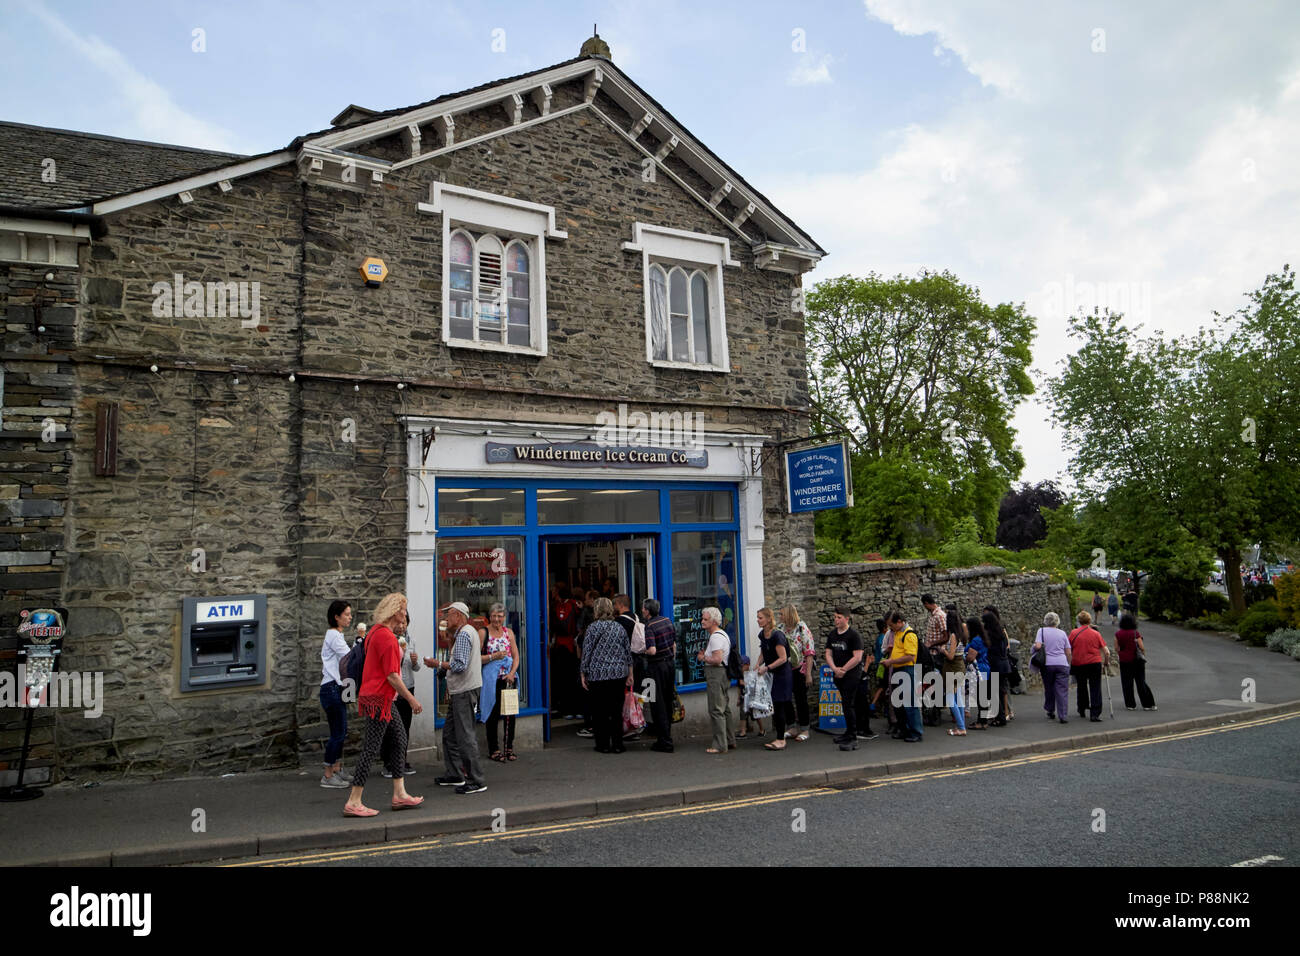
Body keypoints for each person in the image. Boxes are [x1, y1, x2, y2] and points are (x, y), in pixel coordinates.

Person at [343, 594, 424, 816]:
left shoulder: (374, 632)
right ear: (395, 611)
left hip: (379, 698)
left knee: (399, 739)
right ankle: (354, 800)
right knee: (370, 749)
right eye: (403, 610)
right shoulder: (386, 637)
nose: (405, 615)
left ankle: (400, 794)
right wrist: (412, 699)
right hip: (380, 699)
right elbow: (392, 676)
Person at [426, 602, 487, 794]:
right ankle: (455, 774)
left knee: (465, 737)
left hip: (463, 692)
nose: (446, 619)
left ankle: (476, 780)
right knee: (450, 735)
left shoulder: (464, 634)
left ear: (459, 616)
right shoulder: (466, 633)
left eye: (449, 615)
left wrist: (438, 664)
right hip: (462, 691)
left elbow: (459, 666)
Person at [580, 597, 632, 754]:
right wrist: (630, 673)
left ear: (596, 610)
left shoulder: (592, 628)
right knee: (616, 711)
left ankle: (602, 744)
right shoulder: (619, 627)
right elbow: (627, 651)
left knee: (599, 712)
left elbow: (586, 653)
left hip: (598, 675)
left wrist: (583, 673)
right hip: (618, 673)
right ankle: (617, 744)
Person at [319, 600, 354, 788]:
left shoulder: (335, 635)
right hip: (332, 688)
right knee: (338, 733)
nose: (350, 617)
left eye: (350, 614)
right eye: (346, 614)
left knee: (340, 731)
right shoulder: (334, 636)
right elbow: (349, 658)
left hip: (335, 688)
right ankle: (327, 774)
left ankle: (337, 769)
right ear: (336, 617)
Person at [479, 603, 519, 763]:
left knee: (510, 714)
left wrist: (511, 673)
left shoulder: (508, 633)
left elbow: (516, 656)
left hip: (508, 678)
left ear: (504, 617)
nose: (497, 619)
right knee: (492, 714)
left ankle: (508, 748)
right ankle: (494, 749)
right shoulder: (483, 632)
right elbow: (476, 658)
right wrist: (493, 657)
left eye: (500, 616)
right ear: (490, 616)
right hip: (491, 680)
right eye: (494, 616)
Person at [824, 607, 866, 750]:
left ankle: (853, 737)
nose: (836, 620)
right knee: (844, 704)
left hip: (851, 675)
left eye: (839, 617)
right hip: (838, 674)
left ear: (847, 619)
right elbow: (828, 654)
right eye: (835, 617)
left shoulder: (854, 635)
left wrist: (844, 669)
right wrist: (835, 668)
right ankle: (848, 733)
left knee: (849, 704)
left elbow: (858, 657)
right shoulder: (832, 635)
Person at [639, 597, 677, 752]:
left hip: (656, 667)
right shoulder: (668, 621)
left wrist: (643, 651)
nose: (642, 610)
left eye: (643, 608)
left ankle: (664, 741)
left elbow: (652, 650)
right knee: (668, 701)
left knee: (657, 703)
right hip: (669, 664)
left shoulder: (649, 626)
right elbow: (674, 644)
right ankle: (667, 735)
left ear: (647, 611)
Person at [698, 606, 737, 754]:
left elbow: (717, 659)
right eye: (703, 618)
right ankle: (729, 739)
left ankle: (720, 744)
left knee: (716, 709)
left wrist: (703, 658)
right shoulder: (722, 634)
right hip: (723, 673)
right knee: (724, 709)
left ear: (714, 621)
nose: (702, 621)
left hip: (716, 673)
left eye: (706, 619)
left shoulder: (715, 637)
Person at [756, 608, 793, 751]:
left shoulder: (777, 636)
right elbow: (764, 651)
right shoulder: (762, 634)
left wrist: (767, 667)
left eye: (760, 618)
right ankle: (782, 734)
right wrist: (758, 664)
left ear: (768, 619)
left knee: (779, 705)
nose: (758, 620)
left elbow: (783, 658)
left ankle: (780, 739)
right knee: (776, 705)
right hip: (771, 673)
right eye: (757, 618)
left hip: (782, 674)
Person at [386, 624, 421, 777]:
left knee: (405, 727)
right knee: (391, 728)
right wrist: (401, 653)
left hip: (408, 687)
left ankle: (402, 760)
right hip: (393, 689)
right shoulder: (389, 641)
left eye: (404, 623)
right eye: (399, 623)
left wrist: (414, 661)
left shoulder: (410, 641)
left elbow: (416, 668)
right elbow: (392, 670)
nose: (401, 626)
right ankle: (388, 763)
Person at [780, 605, 816, 742]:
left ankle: (805, 729)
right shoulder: (781, 629)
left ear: (789, 615)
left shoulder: (802, 629)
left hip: (800, 669)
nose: (780, 617)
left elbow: (809, 652)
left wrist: (808, 674)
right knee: (786, 698)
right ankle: (791, 726)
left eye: (782, 614)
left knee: (801, 699)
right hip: (786, 670)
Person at [885, 611, 922, 742]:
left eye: (892, 625)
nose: (890, 628)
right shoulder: (898, 633)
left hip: (906, 669)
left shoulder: (909, 635)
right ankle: (904, 729)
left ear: (900, 622)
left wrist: (891, 661)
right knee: (898, 703)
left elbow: (910, 657)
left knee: (909, 702)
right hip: (898, 669)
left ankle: (916, 732)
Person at [1068, 611, 1111, 722]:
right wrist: (1106, 662)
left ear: (1079, 621)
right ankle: (1095, 714)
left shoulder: (1073, 633)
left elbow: (1068, 648)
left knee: (1081, 686)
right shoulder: (1096, 634)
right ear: (1089, 620)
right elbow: (1106, 652)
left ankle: (1081, 708)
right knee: (1095, 688)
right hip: (1094, 663)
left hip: (1078, 663)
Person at [1032, 611, 1072, 723]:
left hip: (1048, 664)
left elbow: (1038, 646)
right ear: (1057, 621)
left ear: (1046, 621)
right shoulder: (1062, 633)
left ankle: (1050, 710)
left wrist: (1034, 647)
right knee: (1062, 690)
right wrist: (1068, 663)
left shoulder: (1042, 631)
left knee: (1049, 688)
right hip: (1062, 663)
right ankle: (1063, 715)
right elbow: (1068, 651)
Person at [1115, 612, 1157, 711]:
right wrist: (1143, 655)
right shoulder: (1135, 633)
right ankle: (1147, 704)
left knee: (1127, 683)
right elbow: (1141, 647)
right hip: (1137, 661)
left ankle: (1130, 704)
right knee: (1141, 682)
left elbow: (1117, 648)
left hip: (1124, 661)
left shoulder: (1118, 634)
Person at [921, 594, 948, 727]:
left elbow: (946, 636)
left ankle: (936, 716)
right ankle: (932, 715)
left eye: (924, 605)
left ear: (927, 603)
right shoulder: (934, 615)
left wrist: (931, 644)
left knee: (935, 684)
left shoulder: (940, 615)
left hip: (936, 654)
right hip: (931, 654)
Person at [982, 609, 1012, 726]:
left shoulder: (990, 635)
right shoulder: (1001, 633)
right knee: (1001, 691)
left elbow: (989, 650)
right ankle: (1003, 714)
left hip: (995, 665)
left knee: (994, 691)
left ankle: (999, 717)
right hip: (1004, 664)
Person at [941, 609, 967, 735]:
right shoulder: (962, 633)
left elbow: (950, 656)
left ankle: (961, 728)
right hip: (960, 666)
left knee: (950, 698)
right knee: (958, 698)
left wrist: (942, 650)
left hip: (953, 668)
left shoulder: (953, 636)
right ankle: (961, 726)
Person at [964, 616, 992, 730]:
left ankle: (982, 721)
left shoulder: (976, 640)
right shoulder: (982, 638)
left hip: (978, 670)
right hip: (985, 668)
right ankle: (983, 720)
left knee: (980, 697)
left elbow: (971, 657)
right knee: (982, 696)